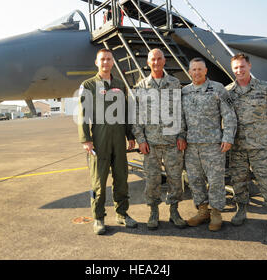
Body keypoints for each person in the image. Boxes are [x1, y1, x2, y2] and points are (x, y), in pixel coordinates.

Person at [77, 48, 137, 235]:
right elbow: (82, 114)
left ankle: (122, 214)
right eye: (102, 59)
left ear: (112, 62)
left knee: (121, 178)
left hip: (119, 136)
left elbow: (126, 112)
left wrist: (130, 135)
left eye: (108, 59)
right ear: (97, 62)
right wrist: (86, 139)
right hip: (99, 137)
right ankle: (98, 218)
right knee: (99, 181)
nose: (105, 62)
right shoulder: (88, 85)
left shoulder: (120, 83)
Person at [226, 53, 267, 230]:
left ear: (249, 66)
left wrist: (265, 130)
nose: (239, 70)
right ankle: (241, 210)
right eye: (236, 67)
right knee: (238, 180)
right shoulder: (228, 92)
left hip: (261, 146)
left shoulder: (266, 88)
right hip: (238, 148)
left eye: (242, 66)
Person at [132, 48, 187, 230]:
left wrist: (181, 134)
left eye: (159, 59)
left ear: (164, 61)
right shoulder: (141, 87)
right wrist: (140, 139)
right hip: (151, 144)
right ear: (148, 63)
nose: (156, 62)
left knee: (175, 179)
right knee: (152, 180)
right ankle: (153, 212)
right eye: (152, 59)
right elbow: (136, 116)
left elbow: (181, 112)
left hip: (173, 143)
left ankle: (174, 211)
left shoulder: (174, 83)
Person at [182, 58, 237, 231]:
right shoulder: (184, 92)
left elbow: (229, 115)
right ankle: (202, 211)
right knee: (195, 180)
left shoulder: (218, 89)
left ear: (206, 71)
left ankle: (216, 213)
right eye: (193, 70)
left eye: (200, 69)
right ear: (189, 72)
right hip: (191, 146)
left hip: (213, 145)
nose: (196, 72)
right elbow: (181, 119)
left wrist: (228, 137)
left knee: (215, 181)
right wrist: (181, 137)